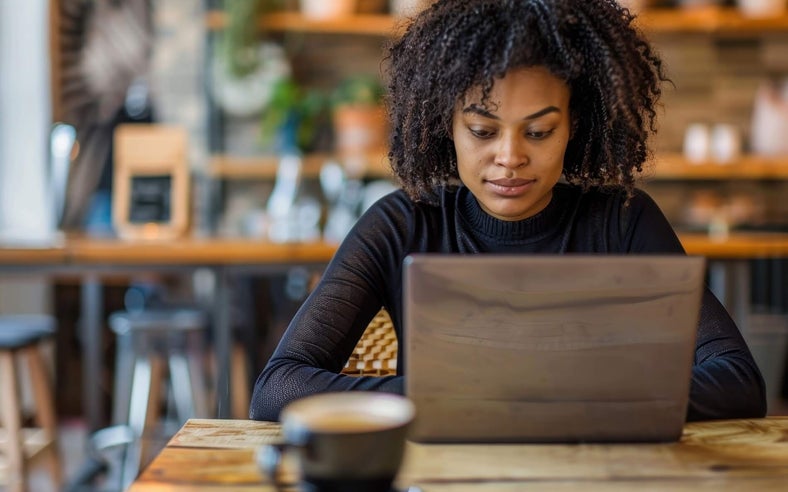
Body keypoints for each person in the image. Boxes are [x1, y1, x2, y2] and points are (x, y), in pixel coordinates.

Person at [250, 0, 766, 422]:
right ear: (444, 125)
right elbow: (279, 385)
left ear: (575, 125)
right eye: (482, 130)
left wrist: (546, 396)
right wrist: (470, 394)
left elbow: (738, 381)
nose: (510, 157)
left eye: (539, 132)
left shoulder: (623, 221)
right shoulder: (403, 225)